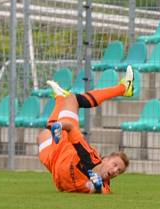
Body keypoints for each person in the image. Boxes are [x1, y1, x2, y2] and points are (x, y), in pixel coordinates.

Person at [37, 66, 132, 194]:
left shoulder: (104, 185)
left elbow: (102, 190)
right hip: (62, 150)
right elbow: (70, 128)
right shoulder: (89, 156)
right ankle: (123, 89)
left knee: (42, 136)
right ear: (105, 159)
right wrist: (60, 126)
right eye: (115, 165)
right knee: (73, 99)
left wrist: (96, 188)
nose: (115, 171)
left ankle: (60, 98)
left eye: (119, 171)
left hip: (54, 164)